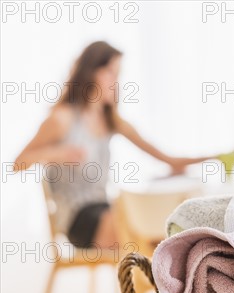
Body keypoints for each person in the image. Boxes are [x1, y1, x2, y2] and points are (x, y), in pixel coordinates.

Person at [14, 41, 219, 249]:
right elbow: (18, 164)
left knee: (156, 226)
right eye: (111, 73)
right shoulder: (62, 119)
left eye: (118, 75)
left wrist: (213, 158)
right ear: (91, 72)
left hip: (105, 208)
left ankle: (154, 276)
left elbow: (169, 160)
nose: (116, 82)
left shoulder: (111, 121)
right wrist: (56, 153)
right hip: (78, 219)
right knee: (140, 230)